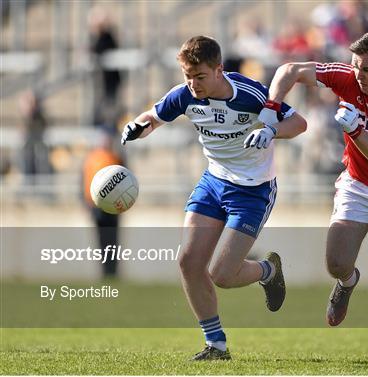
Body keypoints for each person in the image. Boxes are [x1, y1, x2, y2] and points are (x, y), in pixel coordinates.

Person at [121, 36, 307, 360]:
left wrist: (271, 130)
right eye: (187, 76)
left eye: (200, 76)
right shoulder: (184, 95)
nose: (193, 84)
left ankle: (268, 271)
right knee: (189, 262)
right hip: (213, 182)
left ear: (219, 70)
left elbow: (299, 123)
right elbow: (153, 116)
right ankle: (216, 345)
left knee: (222, 275)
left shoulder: (250, 94)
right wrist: (138, 126)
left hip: (253, 190)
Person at [261, 31, 368, 361]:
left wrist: (354, 130)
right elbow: (291, 70)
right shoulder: (347, 77)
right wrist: (271, 108)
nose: (358, 76)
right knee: (336, 263)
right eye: (355, 67)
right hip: (357, 185)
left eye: (366, 69)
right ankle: (348, 281)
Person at [82, 127, 123, 278]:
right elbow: (83, 181)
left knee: (113, 239)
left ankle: (113, 271)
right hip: (96, 206)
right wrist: (86, 203)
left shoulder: (115, 157)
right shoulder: (91, 158)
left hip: (113, 206)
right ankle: (105, 271)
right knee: (101, 239)